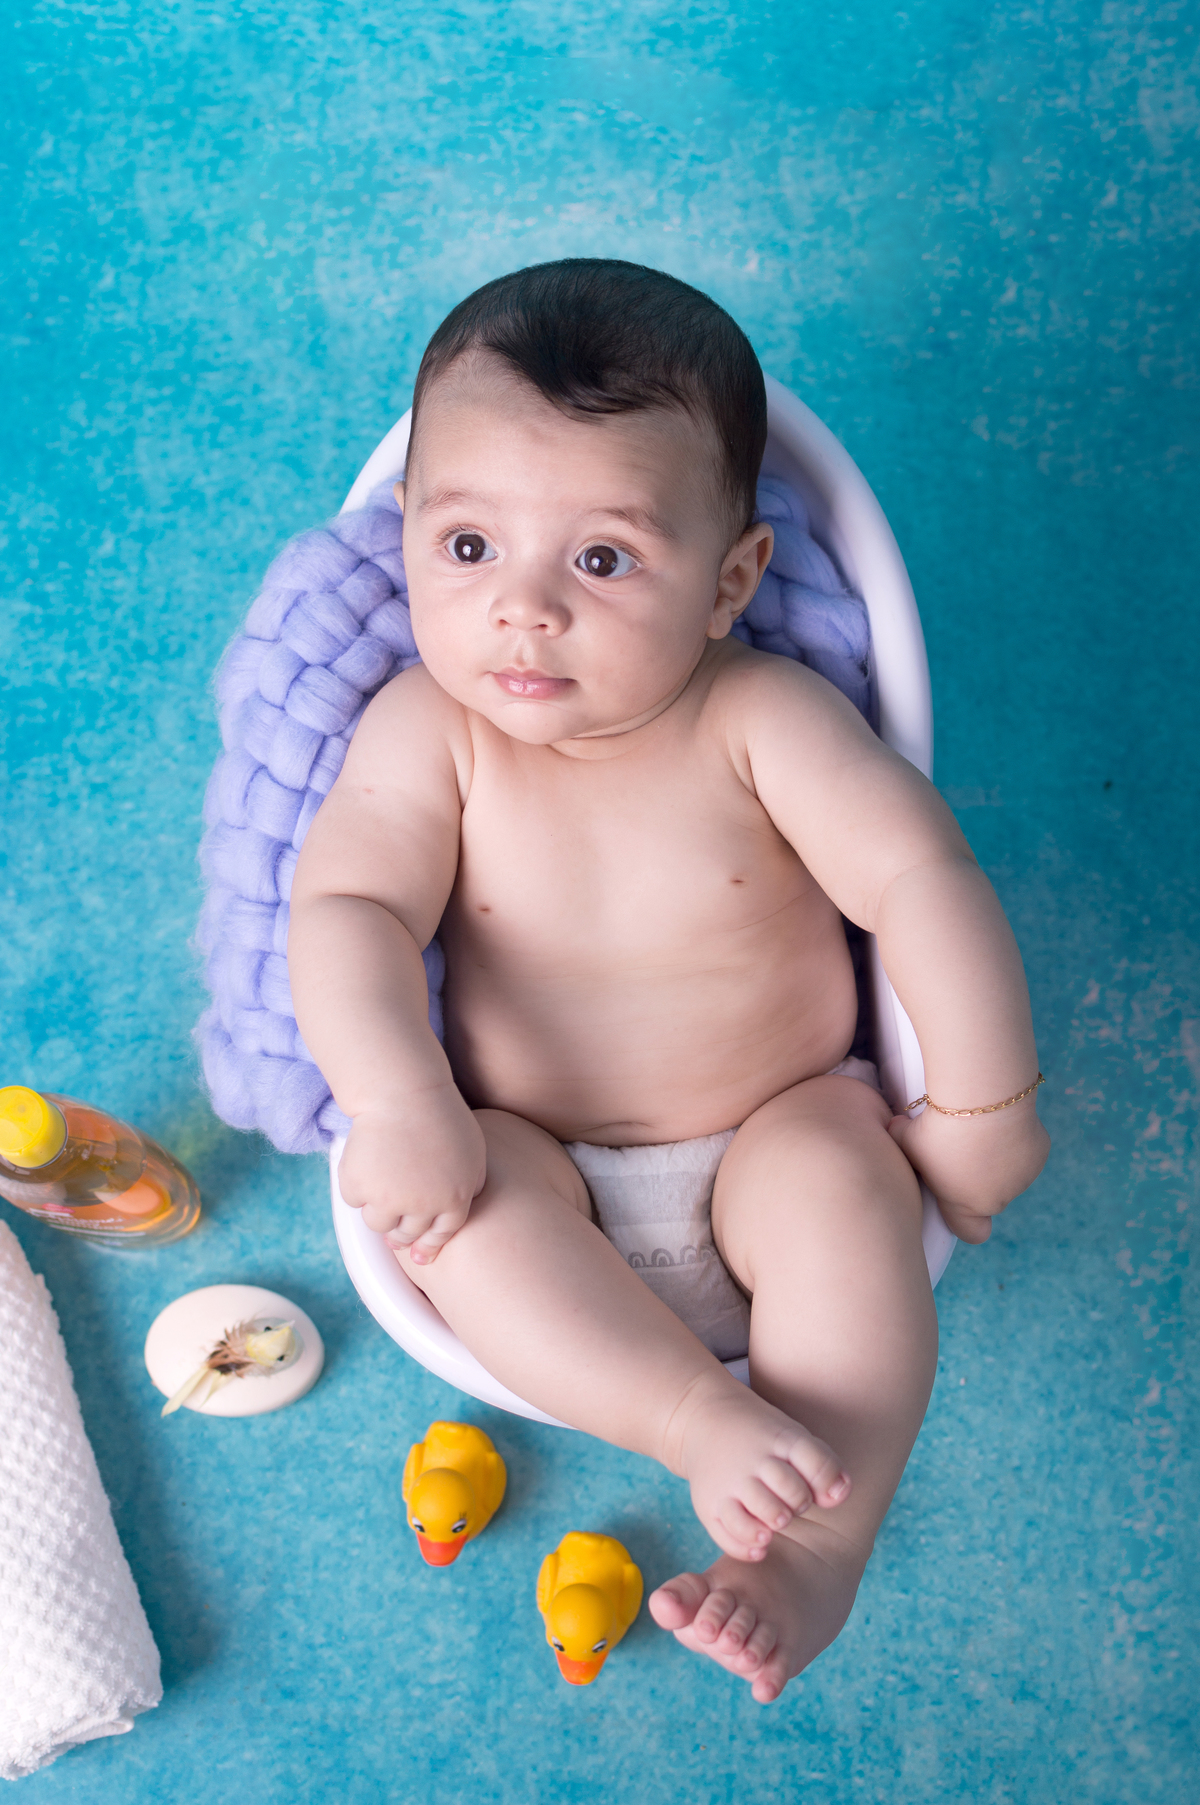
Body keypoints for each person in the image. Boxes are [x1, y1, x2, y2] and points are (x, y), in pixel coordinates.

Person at [288, 259, 1049, 1703]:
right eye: (467, 549)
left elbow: (922, 883)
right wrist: (400, 1099)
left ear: (732, 580)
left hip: (778, 1124)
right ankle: (693, 1415)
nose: (523, 612)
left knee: (838, 1175)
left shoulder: (765, 717)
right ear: (406, 536)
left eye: (602, 559)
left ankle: (821, 1550)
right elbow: (346, 909)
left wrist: (987, 1099)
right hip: (530, 1161)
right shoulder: (425, 734)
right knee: (467, 1211)